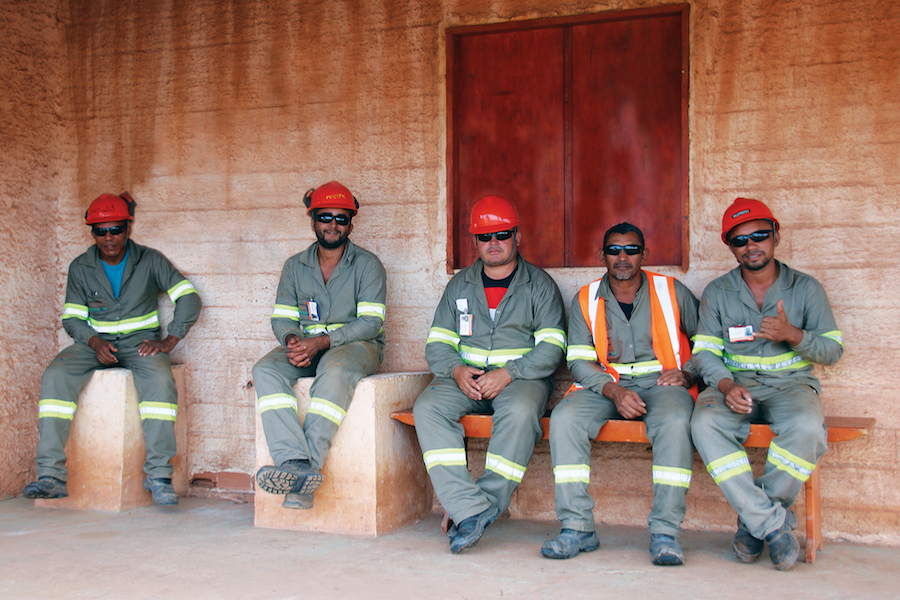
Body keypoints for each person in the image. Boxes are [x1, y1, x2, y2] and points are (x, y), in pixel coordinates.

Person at [690, 198, 844, 570]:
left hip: (790, 387)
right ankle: (774, 525)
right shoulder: (718, 292)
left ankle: (753, 523)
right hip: (734, 386)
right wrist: (725, 386)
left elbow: (833, 350)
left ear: (776, 235)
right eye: (740, 240)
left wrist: (794, 335)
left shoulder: (806, 289)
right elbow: (704, 352)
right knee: (704, 423)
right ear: (730, 246)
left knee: (808, 428)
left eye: (759, 235)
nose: (751, 245)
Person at [23, 192, 202, 506]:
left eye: (115, 229)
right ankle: (51, 476)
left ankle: (159, 477)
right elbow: (72, 318)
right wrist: (93, 341)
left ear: (128, 228)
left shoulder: (151, 260)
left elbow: (189, 297)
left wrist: (169, 340)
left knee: (161, 384)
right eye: (100, 231)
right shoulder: (80, 267)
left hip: (139, 344)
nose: (108, 237)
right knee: (55, 376)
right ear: (92, 233)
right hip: (94, 344)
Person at [413, 195, 566, 554]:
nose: (493, 242)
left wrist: (509, 373)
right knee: (427, 408)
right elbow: (437, 344)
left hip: (522, 381)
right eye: (485, 236)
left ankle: (478, 506)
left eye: (502, 234)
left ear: (517, 236)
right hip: (465, 381)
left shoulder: (540, 285)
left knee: (520, 412)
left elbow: (552, 348)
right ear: (475, 241)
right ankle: (469, 509)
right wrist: (456, 370)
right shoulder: (459, 286)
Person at [541, 223, 699, 565]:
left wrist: (688, 374)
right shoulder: (585, 298)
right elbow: (577, 360)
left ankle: (666, 533)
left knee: (676, 421)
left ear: (645, 254)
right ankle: (577, 527)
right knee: (564, 418)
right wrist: (613, 390)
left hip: (662, 385)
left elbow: (708, 343)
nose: (622, 256)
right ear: (602, 256)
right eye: (614, 250)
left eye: (631, 249)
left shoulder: (672, 291)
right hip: (606, 385)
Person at [253, 181, 386, 510]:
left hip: (358, 347)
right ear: (312, 219)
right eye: (325, 217)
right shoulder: (294, 266)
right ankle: (294, 461)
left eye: (341, 219)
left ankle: (306, 471)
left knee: (334, 368)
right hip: (309, 347)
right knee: (265, 369)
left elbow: (371, 323)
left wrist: (322, 342)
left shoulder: (368, 265)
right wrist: (292, 341)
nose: (333, 225)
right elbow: (282, 319)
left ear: (351, 224)